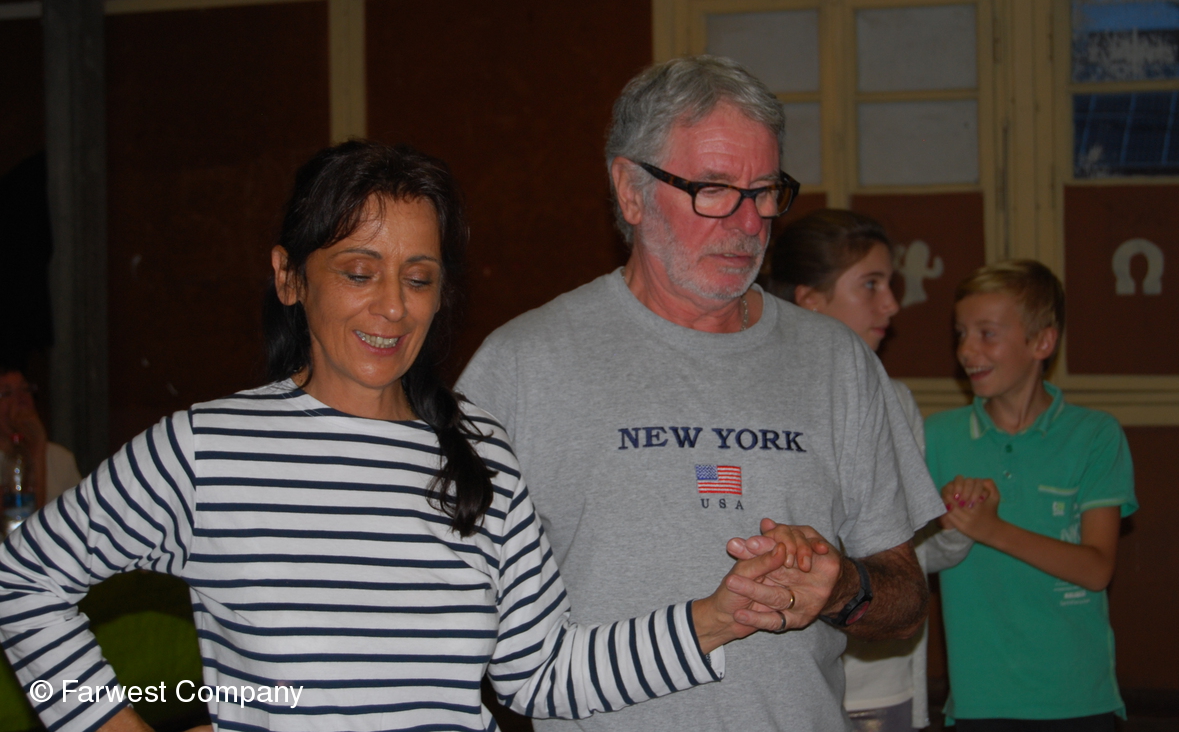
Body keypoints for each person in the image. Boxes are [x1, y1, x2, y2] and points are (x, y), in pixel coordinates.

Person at [0, 141, 804, 732]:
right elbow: (22, 581)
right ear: (288, 276)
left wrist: (716, 616)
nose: (392, 307)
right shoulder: (206, 451)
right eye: (359, 272)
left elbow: (543, 673)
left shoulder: (480, 454)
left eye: (418, 278)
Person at [457, 56, 946, 732]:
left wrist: (841, 587)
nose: (748, 223)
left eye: (764, 191)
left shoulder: (837, 362)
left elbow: (906, 601)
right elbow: (452, 612)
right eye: (714, 189)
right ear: (630, 190)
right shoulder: (521, 367)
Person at [763, 209, 972, 731]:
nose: (892, 304)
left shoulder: (893, 399)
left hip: (882, 684)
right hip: (790, 685)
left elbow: (900, 558)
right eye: (870, 284)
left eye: (890, 284)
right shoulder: (761, 403)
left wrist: (953, 529)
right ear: (810, 301)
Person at [925, 260, 1138, 731]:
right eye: (961, 333)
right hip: (981, 700)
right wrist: (945, 523)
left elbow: (1097, 569)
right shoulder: (936, 437)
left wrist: (990, 529)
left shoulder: (1094, 435)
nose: (967, 350)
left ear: (1042, 342)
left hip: (1076, 700)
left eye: (987, 334)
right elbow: (907, 556)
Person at [0, 366, 81, 504]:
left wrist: (38, 447)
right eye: (7, 393)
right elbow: (21, 512)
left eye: (25, 389)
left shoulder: (60, 458)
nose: (21, 399)